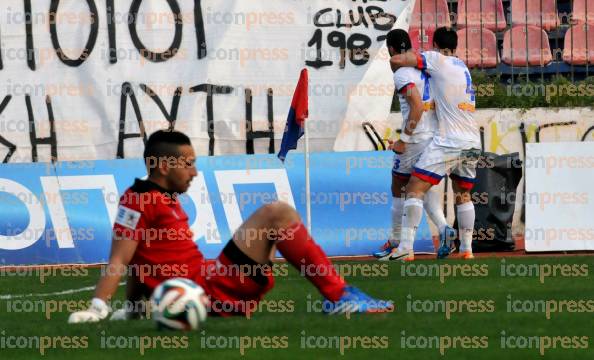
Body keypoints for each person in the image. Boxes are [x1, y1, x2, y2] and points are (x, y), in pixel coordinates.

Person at [68, 130, 393, 323]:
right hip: (209, 288)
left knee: (275, 215)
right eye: (189, 163)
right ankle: (338, 296)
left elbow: (142, 261)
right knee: (276, 213)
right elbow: (121, 259)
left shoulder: (156, 197)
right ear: (165, 166)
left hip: (209, 282)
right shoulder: (138, 199)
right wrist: (98, 308)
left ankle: (338, 295)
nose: (194, 172)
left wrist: (135, 309)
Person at [389, 27, 481, 260]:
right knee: (463, 194)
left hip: (450, 140)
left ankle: (405, 249)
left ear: (435, 44)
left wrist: (398, 63)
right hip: (472, 139)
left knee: (413, 188)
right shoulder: (463, 67)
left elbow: (398, 58)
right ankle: (466, 250)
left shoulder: (437, 59)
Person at [373, 29, 453, 261]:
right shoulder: (424, 68)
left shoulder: (402, 74)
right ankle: (443, 227)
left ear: (391, 49)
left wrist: (403, 140)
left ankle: (397, 242)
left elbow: (416, 107)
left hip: (415, 140)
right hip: (433, 137)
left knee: (398, 187)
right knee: (420, 187)